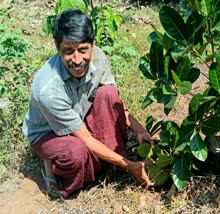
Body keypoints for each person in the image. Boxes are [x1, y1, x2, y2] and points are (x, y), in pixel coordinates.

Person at [22, 9, 154, 199]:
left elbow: (115, 102)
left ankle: (104, 161)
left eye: (83, 50)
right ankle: (55, 175)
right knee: (75, 152)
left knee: (108, 93)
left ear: (92, 44)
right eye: (68, 51)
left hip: (78, 115)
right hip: (47, 132)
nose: (77, 60)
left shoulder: (98, 57)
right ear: (57, 47)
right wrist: (131, 166)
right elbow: (86, 140)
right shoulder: (48, 89)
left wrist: (139, 129)